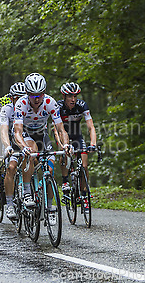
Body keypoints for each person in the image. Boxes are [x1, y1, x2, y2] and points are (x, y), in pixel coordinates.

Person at [12, 73, 73, 224]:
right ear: (27, 94)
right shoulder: (21, 104)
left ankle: (50, 207)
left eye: (39, 94)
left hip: (42, 134)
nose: (37, 99)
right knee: (30, 151)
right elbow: (17, 131)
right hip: (26, 134)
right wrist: (23, 147)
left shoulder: (50, 102)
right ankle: (26, 192)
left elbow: (60, 129)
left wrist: (65, 144)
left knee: (50, 170)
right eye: (33, 95)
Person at [53, 82, 98, 211]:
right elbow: (56, 130)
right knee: (65, 154)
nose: (73, 99)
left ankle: (84, 195)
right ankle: (65, 180)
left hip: (77, 136)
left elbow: (91, 126)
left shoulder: (82, 105)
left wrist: (93, 144)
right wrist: (62, 145)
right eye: (70, 96)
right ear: (64, 96)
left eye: (75, 96)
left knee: (84, 165)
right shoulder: (58, 106)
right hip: (62, 135)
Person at [0, 82, 27, 219]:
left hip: (27, 139)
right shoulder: (7, 109)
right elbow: (4, 131)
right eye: (17, 97)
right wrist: (7, 146)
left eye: (23, 97)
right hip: (12, 141)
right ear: (12, 98)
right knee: (11, 168)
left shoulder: (29, 107)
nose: (20, 100)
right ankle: (10, 204)